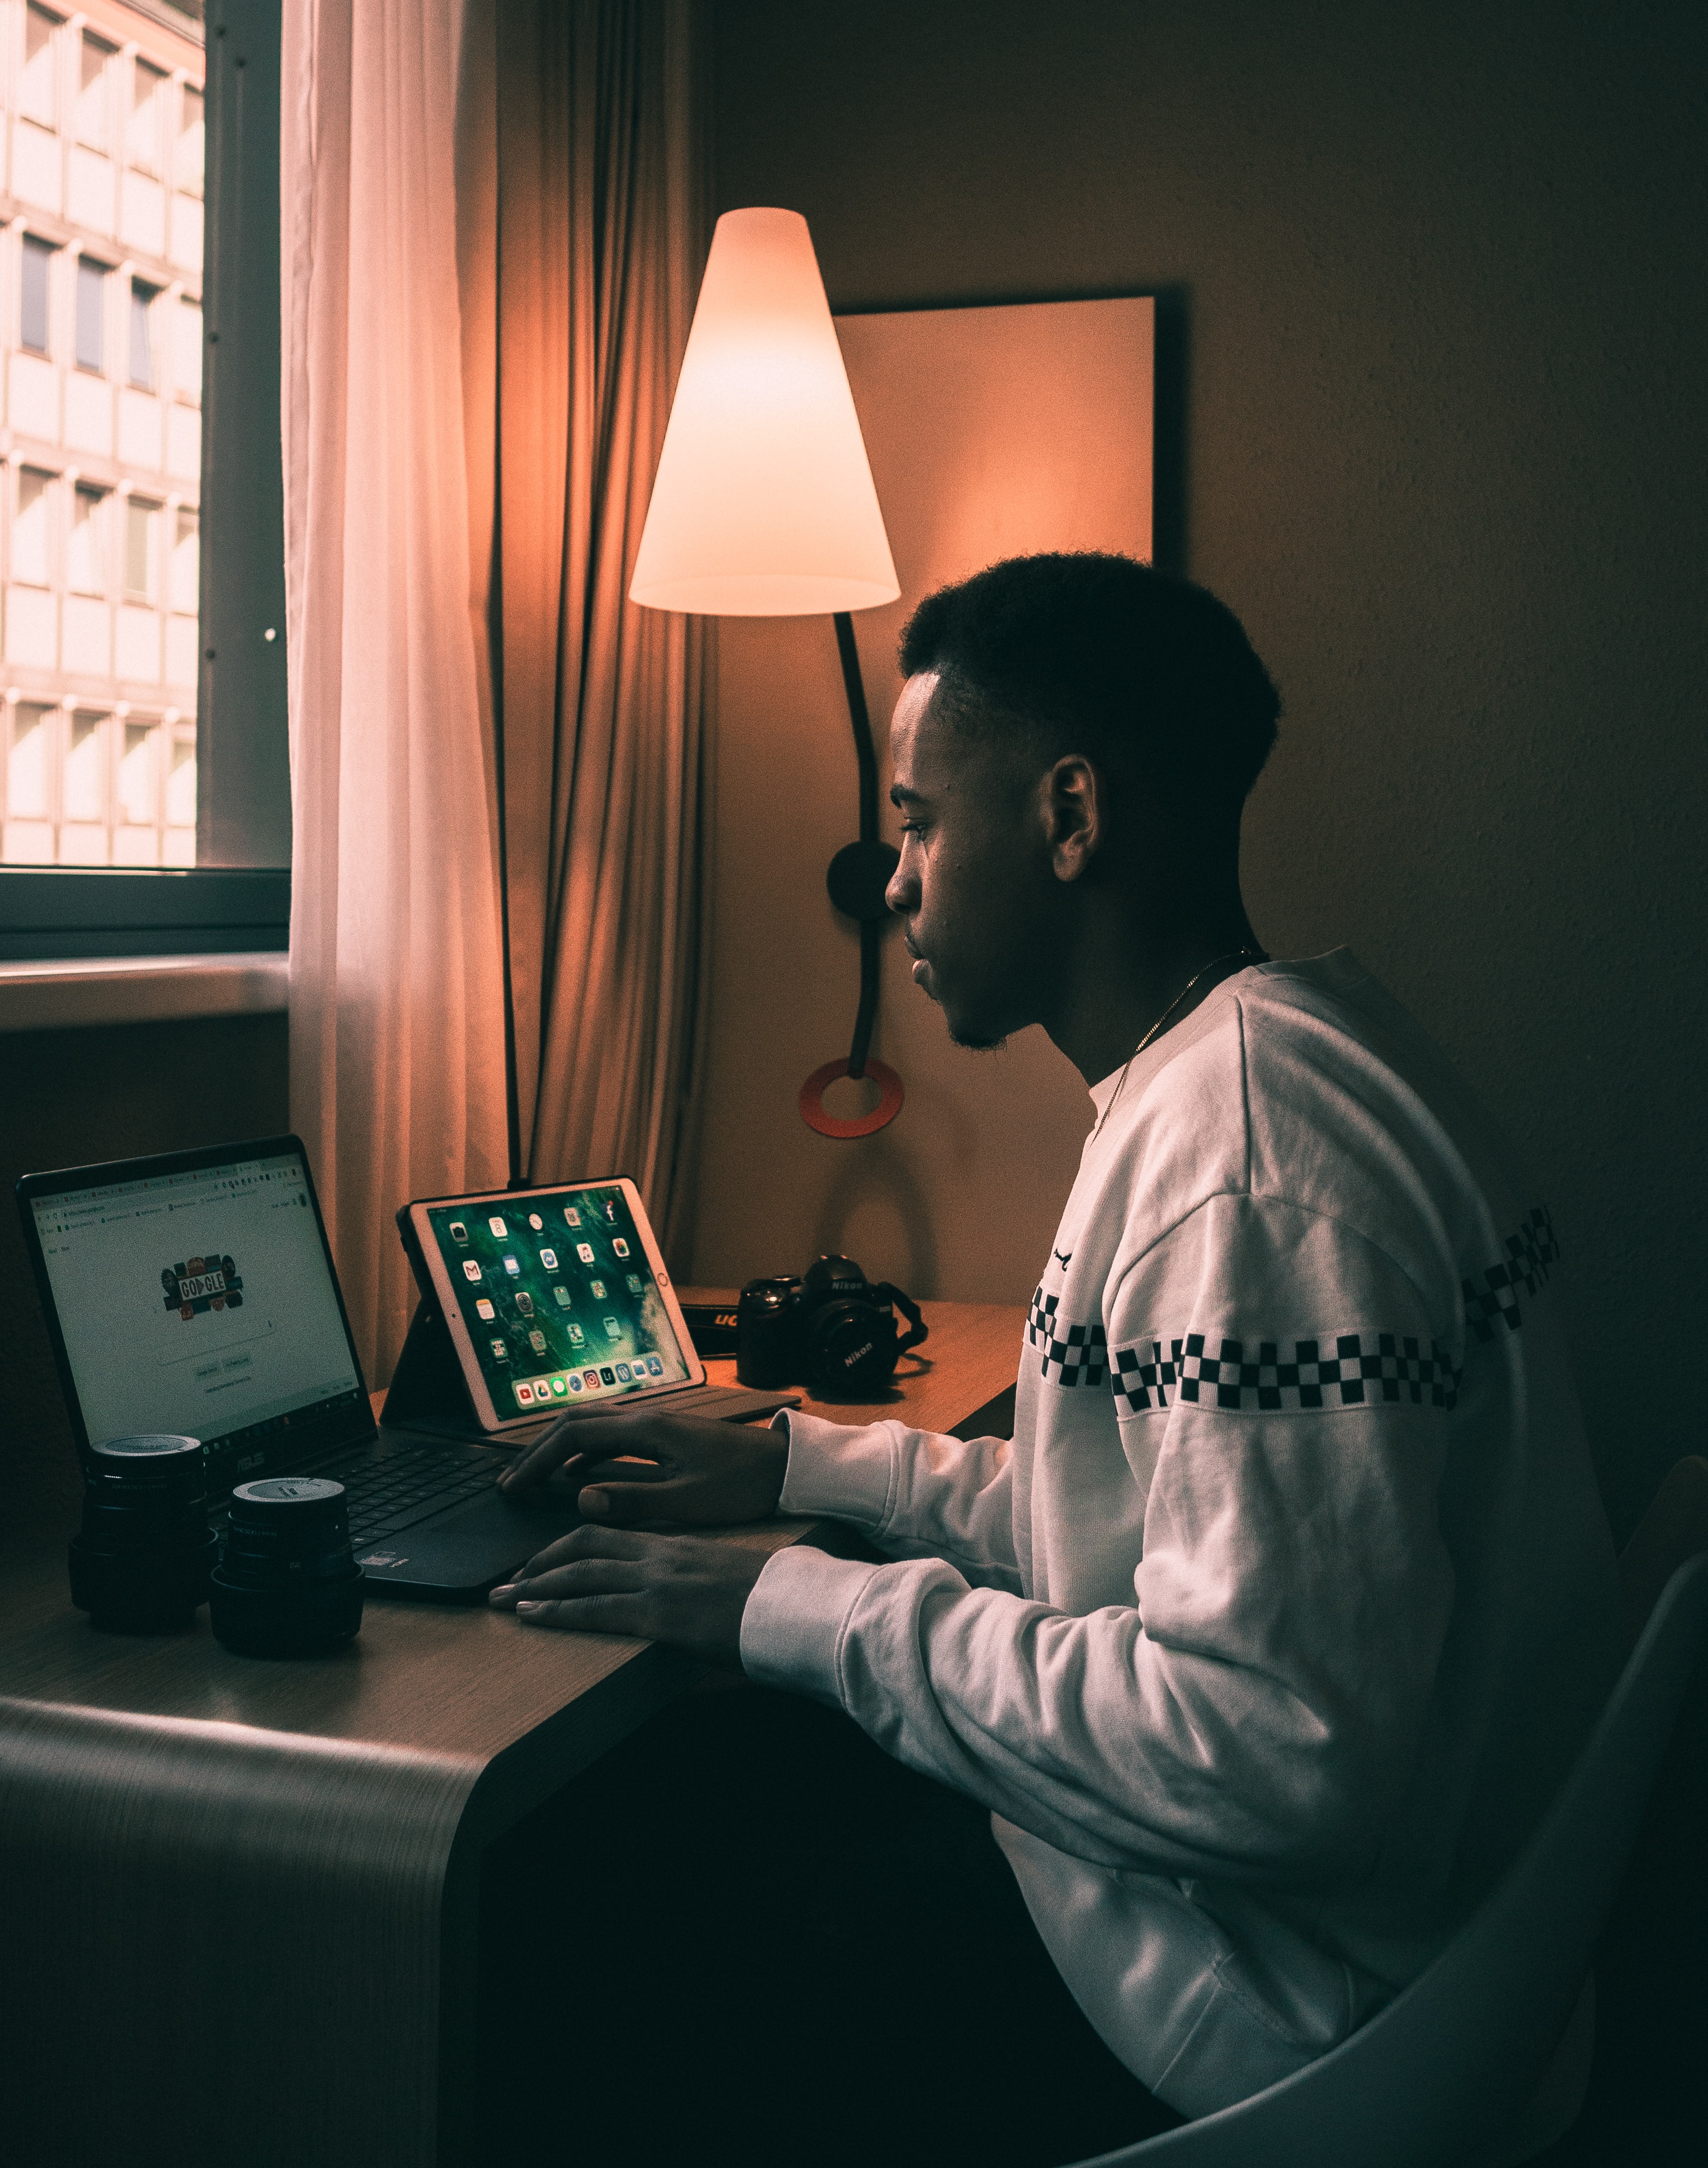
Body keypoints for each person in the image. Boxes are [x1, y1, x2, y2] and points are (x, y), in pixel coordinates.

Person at [482, 552, 1621, 2164]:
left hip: (1290, 2019)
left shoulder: (1245, 1160)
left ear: (1071, 817)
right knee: (751, 1755)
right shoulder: (1279, 1063)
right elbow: (1155, 1519)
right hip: (1388, 1939)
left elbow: (1269, 1752)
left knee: (648, 1883)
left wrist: (791, 1602)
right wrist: (810, 1465)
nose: (893, 879)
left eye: (921, 821)